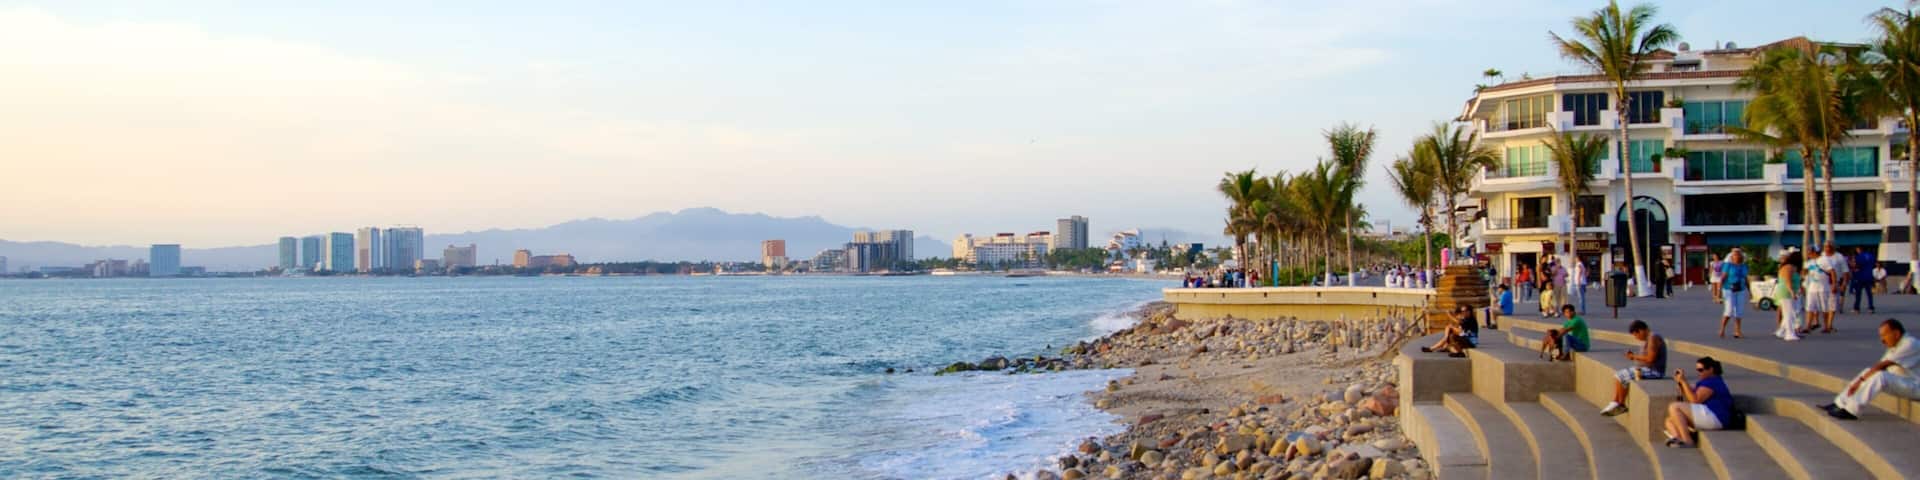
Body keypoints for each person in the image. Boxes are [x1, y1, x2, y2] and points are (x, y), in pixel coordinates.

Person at [1822, 319, 1920, 420]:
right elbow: (1878, 367)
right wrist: (1863, 378)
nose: (1882, 340)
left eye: (1884, 335)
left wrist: (1860, 381)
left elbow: (1883, 365)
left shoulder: (1910, 344)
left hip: (1916, 387)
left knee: (1880, 376)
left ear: (1896, 333)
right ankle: (1840, 403)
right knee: (1868, 371)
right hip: (1906, 383)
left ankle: (1852, 410)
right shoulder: (1897, 344)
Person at [1664, 357, 1733, 448]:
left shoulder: (1713, 381)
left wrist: (1684, 381)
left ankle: (1687, 440)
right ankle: (1678, 438)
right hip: (1709, 414)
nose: (1698, 373)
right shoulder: (1706, 381)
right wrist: (1681, 383)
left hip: (1716, 417)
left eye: (1701, 370)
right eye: (1697, 370)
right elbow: (1691, 393)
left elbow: (1695, 399)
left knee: (1674, 407)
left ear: (1711, 369)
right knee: (1670, 421)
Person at [1602, 320, 1667, 417]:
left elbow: (1650, 358)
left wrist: (1634, 356)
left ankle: (1620, 404)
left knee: (1621, 376)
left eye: (1636, 335)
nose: (1637, 338)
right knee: (1618, 374)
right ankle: (1617, 402)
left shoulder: (1653, 338)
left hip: (1654, 371)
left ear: (1641, 331)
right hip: (1645, 369)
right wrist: (1633, 357)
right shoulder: (1649, 339)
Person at [1806, 244, 1839, 334]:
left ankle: (1826, 326)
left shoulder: (1824, 260)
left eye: (1810, 251)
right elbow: (1806, 273)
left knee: (1825, 308)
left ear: (1814, 252)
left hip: (1823, 288)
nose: (1808, 253)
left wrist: (1834, 285)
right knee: (1810, 307)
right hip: (1812, 288)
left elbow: (1832, 272)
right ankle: (1808, 326)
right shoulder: (1809, 262)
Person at [1718, 249, 1749, 339]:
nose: (1737, 256)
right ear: (1732, 257)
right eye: (1735, 255)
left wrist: (1750, 291)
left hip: (1741, 289)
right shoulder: (1728, 265)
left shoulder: (1744, 266)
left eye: (1739, 255)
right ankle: (1722, 329)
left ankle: (1737, 331)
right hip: (1729, 289)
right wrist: (1718, 292)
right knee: (1729, 310)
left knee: (1739, 311)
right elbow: (1723, 278)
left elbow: (1746, 279)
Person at [1774, 250, 1804, 341]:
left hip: (1788, 292)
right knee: (1789, 313)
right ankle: (1789, 334)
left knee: (1790, 312)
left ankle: (1781, 331)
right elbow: (1787, 281)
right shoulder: (1788, 267)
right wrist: (1792, 292)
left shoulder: (1792, 267)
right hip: (1785, 292)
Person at [1852, 247, 1876, 314]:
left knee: (1858, 294)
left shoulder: (1858, 257)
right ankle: (1871, 308)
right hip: (1869, 276)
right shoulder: (1871, 256)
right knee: (1869, 294)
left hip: (1860, 277)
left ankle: (1857, 308)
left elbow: (1856, 266)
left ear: (1859, 249)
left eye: (1857, 249)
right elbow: (1874, 265)